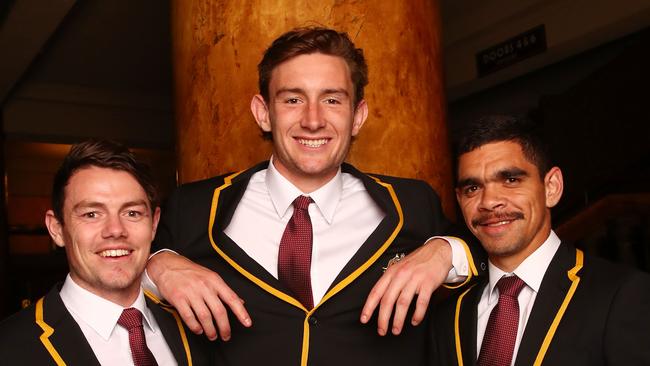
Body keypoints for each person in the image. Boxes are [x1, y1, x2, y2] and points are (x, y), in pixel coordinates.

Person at [145, 27, 484, 365]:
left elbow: (483, 249)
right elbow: (115, 263)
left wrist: (443, 251)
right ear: (264, 113)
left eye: (332, 100)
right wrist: (157, 265)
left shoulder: (412, 202)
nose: (313, 120)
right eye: (293, 99)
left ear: (358, 116)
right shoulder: (194, 206)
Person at [433, 115, 650, 365]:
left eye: (511, 180)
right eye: (473, 188)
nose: (489, 202)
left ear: (552, 187)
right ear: (460, 200)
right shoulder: (448, 320)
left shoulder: (621, 296)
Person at [0, 140, 209, 365]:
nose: (115, 230)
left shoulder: (197, 325)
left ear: (154, 224)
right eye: (91, 214)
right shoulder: (10, 347)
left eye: (132, 213)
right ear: (57, 229)